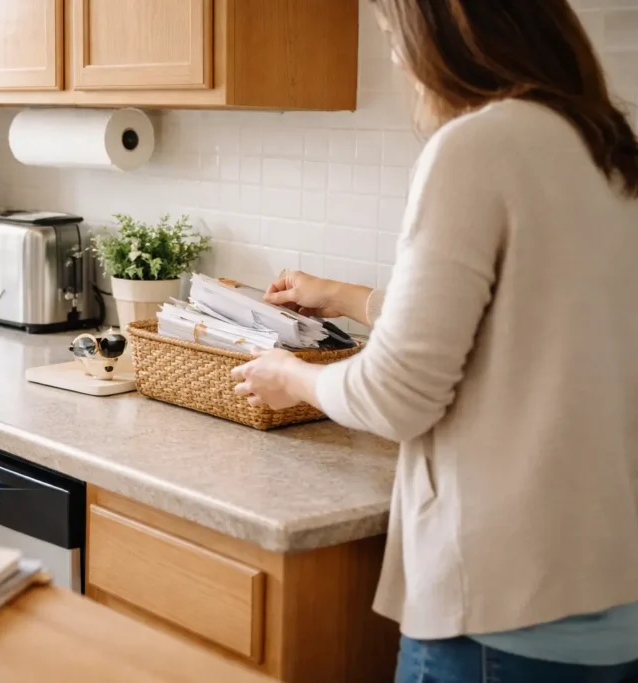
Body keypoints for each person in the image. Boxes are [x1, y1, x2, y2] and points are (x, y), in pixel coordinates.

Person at [231, 2, 638, 682]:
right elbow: (525, 323)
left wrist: (290, 374)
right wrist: (347, 296)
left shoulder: (476, 146)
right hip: (612, 600)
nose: (397, 61)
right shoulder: (608, 149)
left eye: (394, 38)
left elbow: (396, 396)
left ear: (449, 34)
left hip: (498, 607)